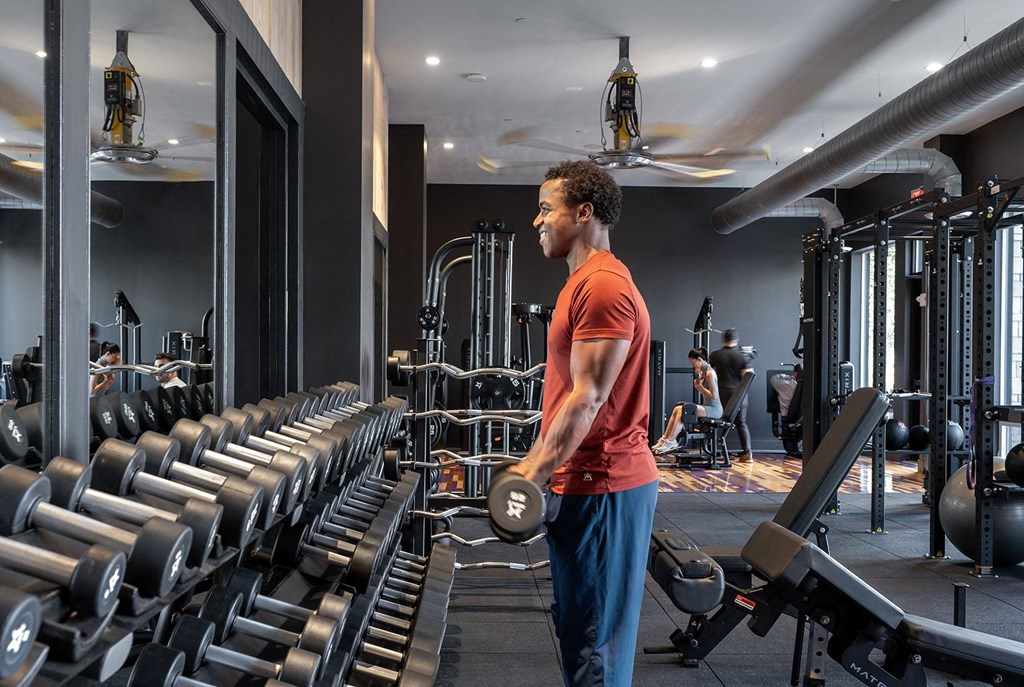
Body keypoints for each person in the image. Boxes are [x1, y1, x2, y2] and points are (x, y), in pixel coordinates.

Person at [506, 160, 658, 687]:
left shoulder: (602, 288)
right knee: (579, 630)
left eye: (547, 208)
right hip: (585, 483)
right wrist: (537, 466)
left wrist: (533, 473)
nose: (537, 220)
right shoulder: (582, 284)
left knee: (596, 643)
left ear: (583, 212)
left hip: (603, 483)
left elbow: (588, 398)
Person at [651, 347, 722, 455]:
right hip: (708, 407)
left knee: (683, 410)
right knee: (677, 408)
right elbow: (706, 393)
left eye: (693, 363)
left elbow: (715, 396)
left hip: (714, 410)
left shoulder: (709, 373)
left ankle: (671, 441)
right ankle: (665, 439)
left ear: (699, 359)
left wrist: (701, 387)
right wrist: (698, 387)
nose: (693, 366)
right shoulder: (703, 373)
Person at [709, 328, 753, 462]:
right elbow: (749, 375)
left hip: (722, 393)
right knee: (742, 423)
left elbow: (707, 373)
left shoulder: (715, 355)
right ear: (736, 340)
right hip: (739, 394)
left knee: (717, 422)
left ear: (724, 339)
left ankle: (714, 450)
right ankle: (747, 453)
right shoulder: (742, 356)